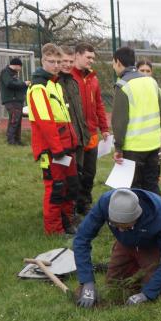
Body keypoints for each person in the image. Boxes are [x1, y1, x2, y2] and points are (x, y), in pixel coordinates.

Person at [72, 188, 161, 308]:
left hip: (150, 245)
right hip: (125, 243)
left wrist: (147, 294)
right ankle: (139, 266)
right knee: (114, 285)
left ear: (137, 216)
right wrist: (87, 282)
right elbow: (82, 239)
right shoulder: (106, 202)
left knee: (159, 292)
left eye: (126, 226)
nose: (120, 230)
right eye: (115, 225)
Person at [26, 43, 79, 235]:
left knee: (70, 185)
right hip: (52, 149)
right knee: (56, 188)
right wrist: (57, 149)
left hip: (66, 146)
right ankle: (54, 229)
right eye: (51, 61)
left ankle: (67, 222)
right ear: (43, 61)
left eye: (58, 61)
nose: (56, 65)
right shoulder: (39, 88)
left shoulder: (54, 84)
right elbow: (46, 123)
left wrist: (71, 143)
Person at [111, 46, 161, 195]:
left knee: (134, 188)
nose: (113, 67)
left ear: (118, 62)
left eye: (113, 63)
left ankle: (138, 210)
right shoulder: (151, 82)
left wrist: (118, 148)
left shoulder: (122, 85)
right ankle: (159, 209)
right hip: (153, 144)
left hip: (133, 147)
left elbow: (119, 122)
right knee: (151, 185)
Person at [71, 43, 109, 215]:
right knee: (75, 172)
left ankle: (85, 203)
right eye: (88, 57)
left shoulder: (93, 78)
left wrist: (104, 127)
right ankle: (73, 205)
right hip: (76, 133)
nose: (91, 61)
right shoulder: (68, 77)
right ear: (77, 55)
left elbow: (99, 104)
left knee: (89, 173)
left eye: (93, 58)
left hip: (92, 133)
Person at [58, 46, 90, 224]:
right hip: (64, 141)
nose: (68, 64)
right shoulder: (54, 84)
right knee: (65, 180)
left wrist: (84, 133)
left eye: (71, 61)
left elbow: (79, 112)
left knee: (77, 176)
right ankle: (64, 215)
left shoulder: (73, 83)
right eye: (64, 61)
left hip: (78, 138)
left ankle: (73, 210)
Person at [0, 57, 29, 145]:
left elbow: (15, 85)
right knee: (14, 120)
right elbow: (9, 84)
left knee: (17, 121)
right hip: (12, 101)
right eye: (20, 66)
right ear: (17, 65)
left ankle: (17, 141)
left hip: (17, 101)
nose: (20, 69)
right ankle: (11, 141)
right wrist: (24, 83)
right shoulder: (5, 72)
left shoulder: (13, 73)